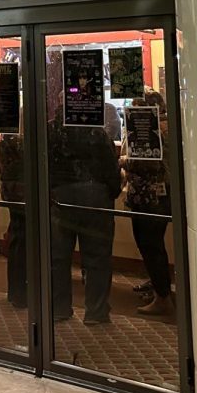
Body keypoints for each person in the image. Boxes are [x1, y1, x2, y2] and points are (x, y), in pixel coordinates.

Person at [47, 117, 121, 324]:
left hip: (60, 197)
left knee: (58, 257)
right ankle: (96, 312)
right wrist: (110, 192)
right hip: (95, 197)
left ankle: (59, 308)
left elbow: (41, 163)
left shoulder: (50, 128)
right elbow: (110, 167)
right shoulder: (95, 129)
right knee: (97, 256)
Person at [121, 90, 174, 317]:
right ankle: (159, 285)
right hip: (163, 195)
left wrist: (123, 160)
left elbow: (146, 162)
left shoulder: (151, 130)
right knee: (156, 245)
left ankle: (162, 297)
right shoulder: (170, 125)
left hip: (148, 197)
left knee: (149, 244)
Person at [0, 132, 26, 307]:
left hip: (12, 190)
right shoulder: (17, 139)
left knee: (17, 239)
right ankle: (21, 294)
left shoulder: (7, 139)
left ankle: (16, 292)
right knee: (23, 241)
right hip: (22, 191)